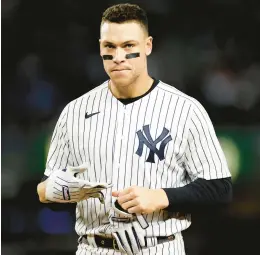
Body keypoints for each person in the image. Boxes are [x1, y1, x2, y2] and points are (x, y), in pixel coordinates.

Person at [37, 3, 232, 255]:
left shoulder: (185, 109)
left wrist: (162, 196)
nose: (118, 56)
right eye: (110, 46)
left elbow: (220, 190)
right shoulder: (74, 112)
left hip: (159, 247)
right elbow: (45, 189)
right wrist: (60, 191)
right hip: (94, 247)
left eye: (129, 46)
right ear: (100, 48)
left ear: (147, 46)